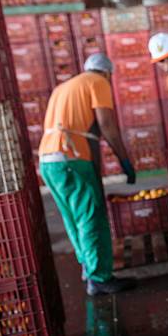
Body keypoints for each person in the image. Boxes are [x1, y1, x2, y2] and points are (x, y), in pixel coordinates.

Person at [38, 53, 137, 297]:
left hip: (48, 160)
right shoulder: (98, 82)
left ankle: (88, 269)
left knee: (72, 217)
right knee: (91, 216)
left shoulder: (63, 88)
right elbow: (107, 125)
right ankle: (100, 278)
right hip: (71, 157)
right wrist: (124, 160)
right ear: (107, 73)